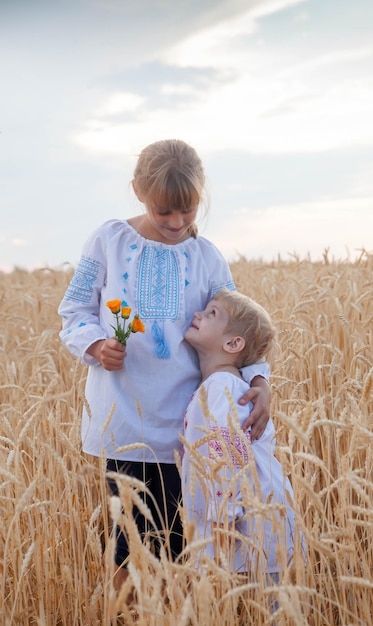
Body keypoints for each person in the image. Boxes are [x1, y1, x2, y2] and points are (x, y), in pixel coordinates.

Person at [58, 139, 271, 591]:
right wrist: (96, 344)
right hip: (123, 428)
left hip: (191, 431)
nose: (177, 223)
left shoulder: (207, 257)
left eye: (188, 211)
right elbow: (74, 311)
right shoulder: (107, 241)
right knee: (129, 545)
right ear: (138, 190)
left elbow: (241, 328)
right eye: (164, 212)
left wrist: (258, 380)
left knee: (187, 543)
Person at [182, 289, 297, 589]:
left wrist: (223, 524)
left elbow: (228, 458)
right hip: (253, 528)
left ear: (233, 343)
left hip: (247, 531)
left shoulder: (221, 388)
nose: (198, 314)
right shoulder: (221, 385)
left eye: (211, 314)